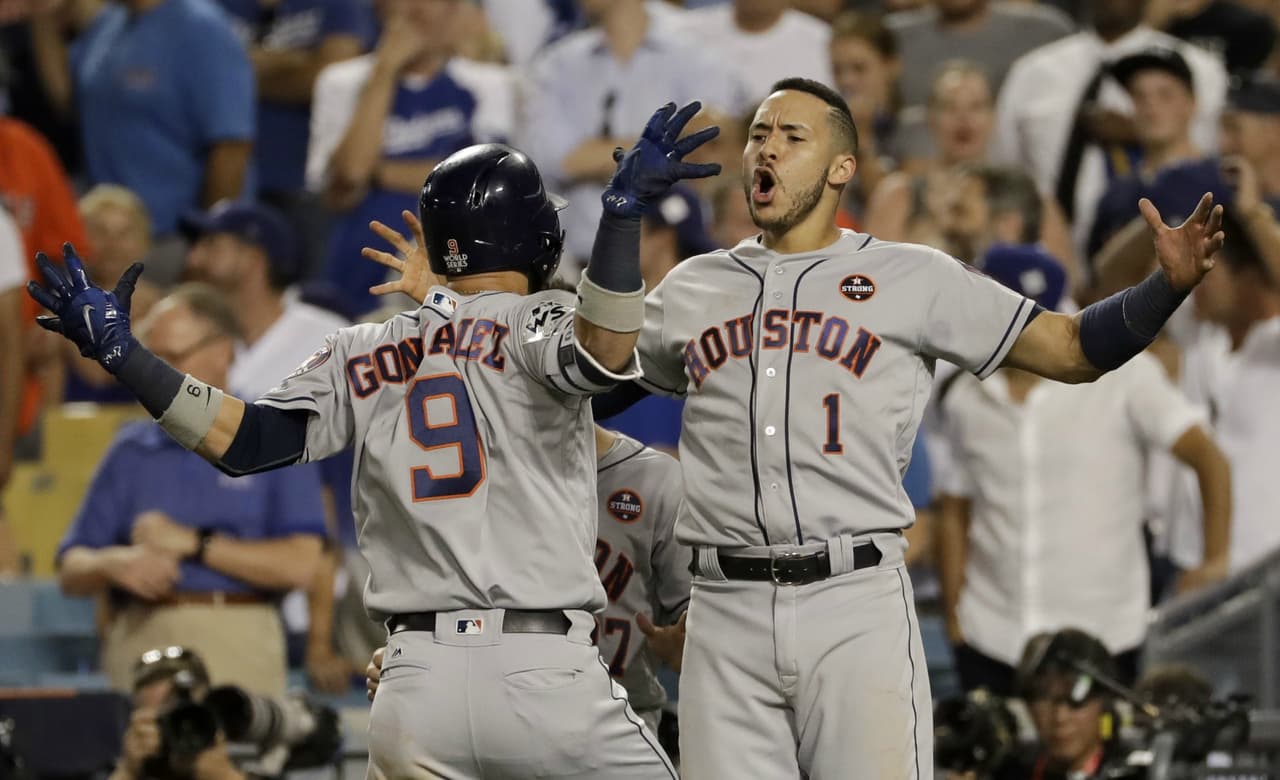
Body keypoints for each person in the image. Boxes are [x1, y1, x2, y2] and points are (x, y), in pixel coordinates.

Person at [30, 100, 719, 775]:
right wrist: (622, 219)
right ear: (537, 237)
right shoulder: (538, 317)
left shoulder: (361, 347)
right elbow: (603, 353)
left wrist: (130, 360)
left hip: (414, 685)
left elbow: (243, 441)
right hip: (542, 671)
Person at [585, 75, 1225, 778]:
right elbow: (595, 376)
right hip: (724, 606)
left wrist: (1164, 290)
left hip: (853, 601)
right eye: (761, 135)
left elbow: (1070, 349)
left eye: (793, 137)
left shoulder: (910, 276)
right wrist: (619, 218)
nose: (767, 150)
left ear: (842, 169)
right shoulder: (695, 286)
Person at [934, 245, 1230, 695]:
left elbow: (1208, 458)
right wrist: (956, 617)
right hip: (993, 635)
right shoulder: (963, 398)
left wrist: (1214, 561)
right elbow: (954, 508)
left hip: (1104, 635)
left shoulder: (1124, 375)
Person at [54, 285, 328, 696]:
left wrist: (195, 543)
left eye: (174, 358)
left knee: (239, 759)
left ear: (223, 352)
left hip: (238, 639)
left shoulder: (271, 433)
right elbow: (70, 567)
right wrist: (112, 563)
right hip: (139, 639)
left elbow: (301, 565)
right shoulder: (130, 449)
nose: (156, 373)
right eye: (151, 358)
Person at [364, 423, 692, 736]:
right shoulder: (469, 477)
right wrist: (410, 660)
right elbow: (450, 613)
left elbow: (696, 627)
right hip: (494, 725)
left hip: (621, 721)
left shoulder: (655, 480)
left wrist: (690, 644)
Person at [305, 0, 513, 315]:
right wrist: (385, 72)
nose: (419, 11)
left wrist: (378, 173)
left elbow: (484, 181)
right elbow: (347, 178)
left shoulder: (488, 83)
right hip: (359, 273)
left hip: (455, 278)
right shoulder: (342, 82)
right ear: (380, 8)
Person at [30, 0, 255, 284]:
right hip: (103, 242)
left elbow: (231, 147)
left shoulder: (203, 28)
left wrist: (210, 244)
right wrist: (40, 19)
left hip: (170, 242)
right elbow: (70, 100)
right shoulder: (108, 24)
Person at [992, 0, 1228, 255]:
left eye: (1164, 95)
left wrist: (1136, 134)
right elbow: (1006, 173)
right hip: (1044, 251)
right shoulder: (1031, 73)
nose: (1150, 105)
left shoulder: (1202, 69)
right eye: (1140, 96)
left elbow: (1213, 157)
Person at [521, 0, 745, 268]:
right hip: (579, 262)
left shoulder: (695, 58)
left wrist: (598, 153)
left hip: (676, 261)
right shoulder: (557, 64)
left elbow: (710, 145)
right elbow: (559, 160)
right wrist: (667, 142)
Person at [111, 646, 244, 780]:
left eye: (194, 717)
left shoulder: (241, 765)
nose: (183, 730)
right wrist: (128, 772)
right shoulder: (127, 770)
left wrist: (225, 776)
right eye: (163, 720)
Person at [1017, 628, 1128, 780]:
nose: (1060, 717)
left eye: (1075, 701)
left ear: (1104, 704)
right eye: (1045, 699)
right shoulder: (1012, 768)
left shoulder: (1138, 769)